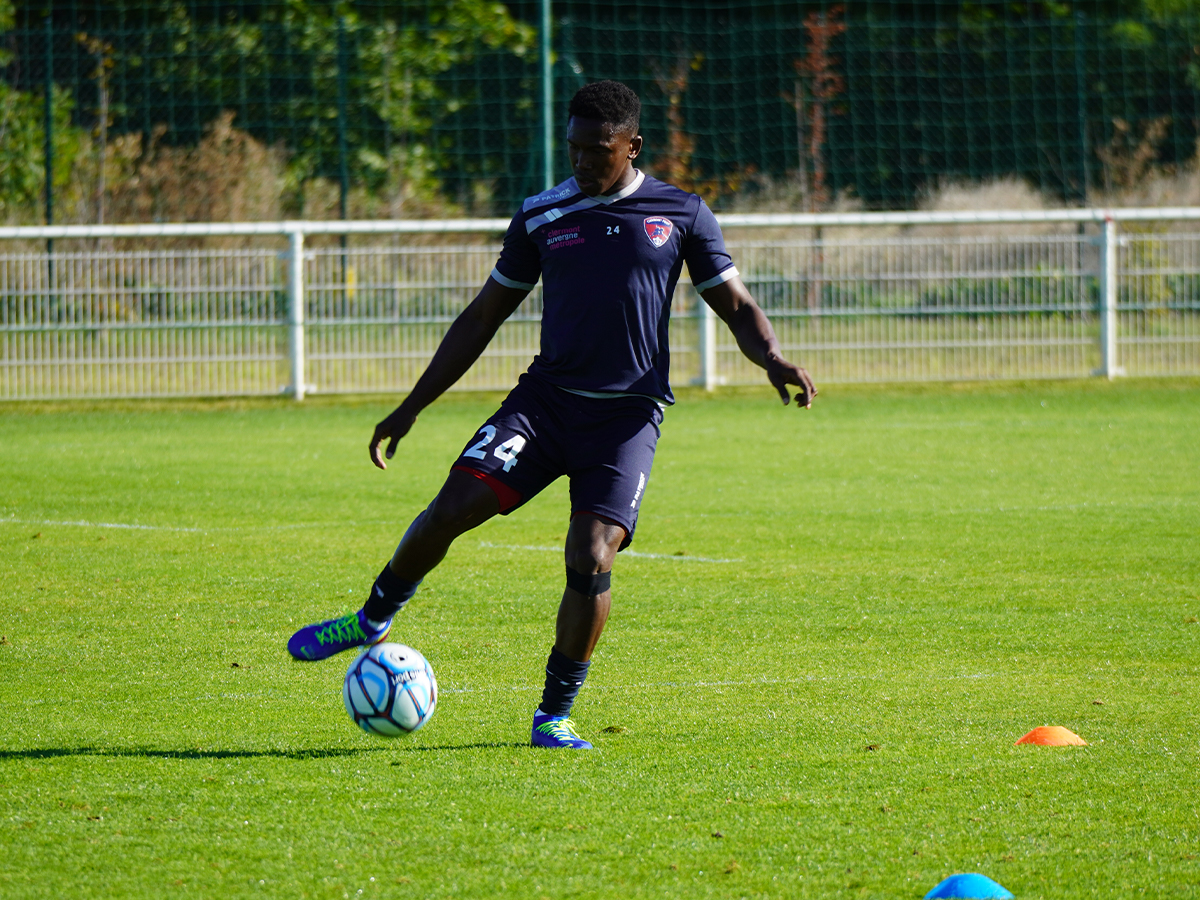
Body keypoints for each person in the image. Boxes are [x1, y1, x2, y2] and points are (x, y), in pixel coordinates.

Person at [287, 80, 816, 749]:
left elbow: (736, 305)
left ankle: (552, 715)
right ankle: (373, 618)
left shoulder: (679, 213)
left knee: (591, 554)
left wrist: (772, 359)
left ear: (632, 146)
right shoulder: (543, 215)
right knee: (450, 508)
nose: (583, 161)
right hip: (542, 409)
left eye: (599, 149)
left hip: (624, 421)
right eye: (574, 148)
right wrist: (413, 405)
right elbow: (482, 317)